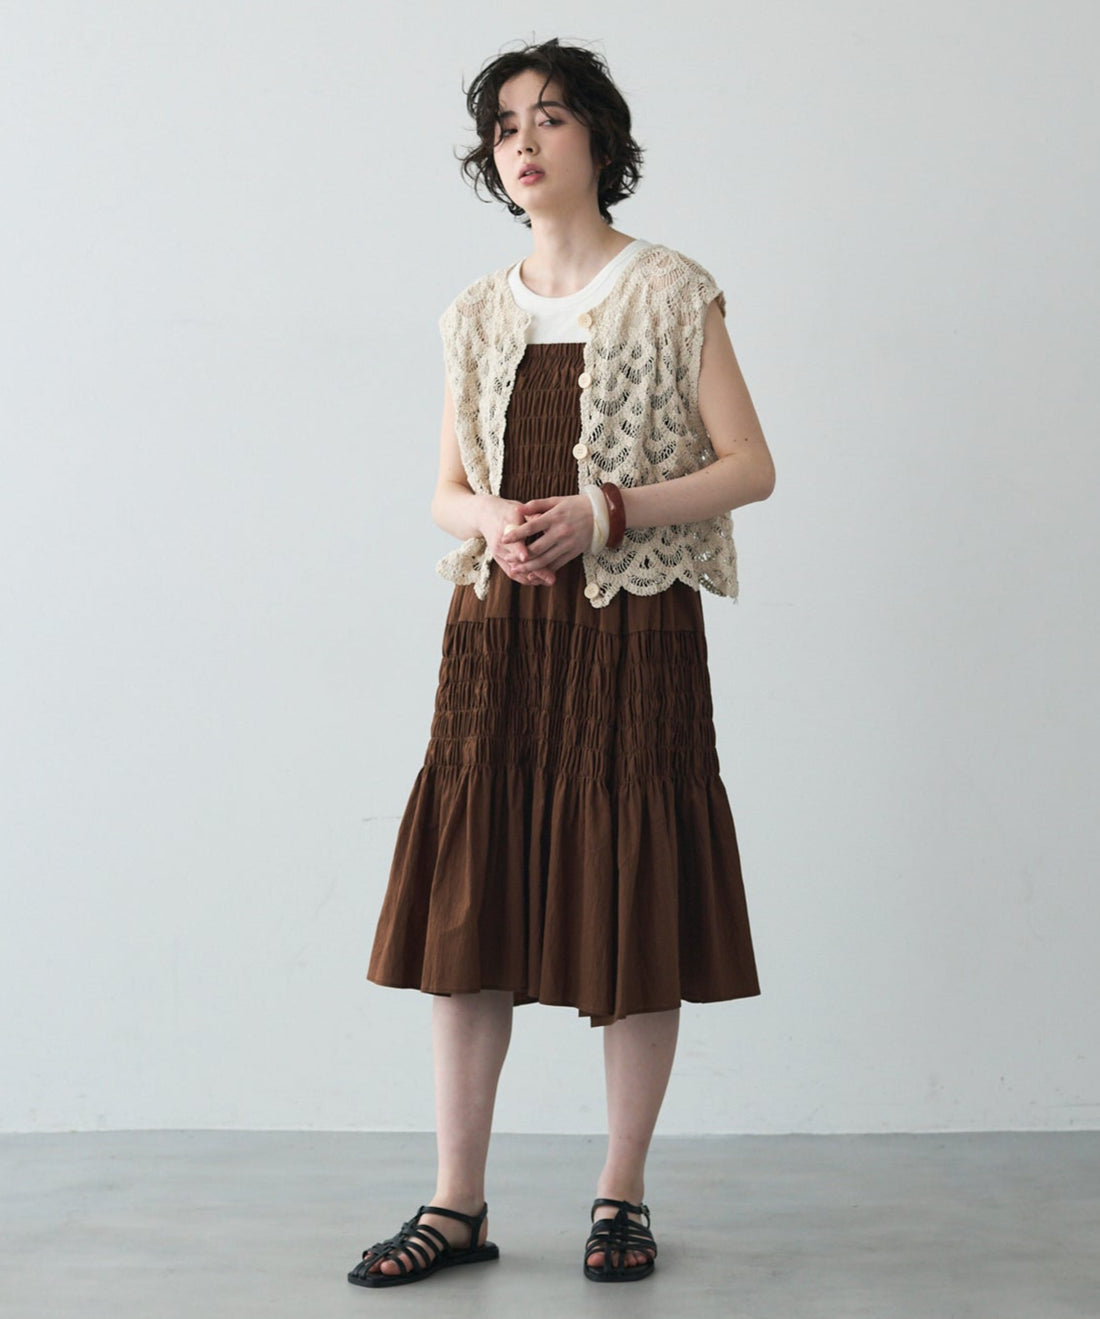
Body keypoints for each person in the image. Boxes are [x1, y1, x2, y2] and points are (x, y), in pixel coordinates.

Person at [348, 37, 776, 1289]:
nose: (522, 143)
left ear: (599, 135)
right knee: (467, 902)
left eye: (547, 117)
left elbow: (750, 465)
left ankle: (619, 1193)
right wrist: (489, 519)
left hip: (631, 630)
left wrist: (607, 511)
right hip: (498, 632)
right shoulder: (474, 312)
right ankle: (455, 1201)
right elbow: (444, 488)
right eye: (502, 127)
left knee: (632, 895)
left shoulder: (671, 290)